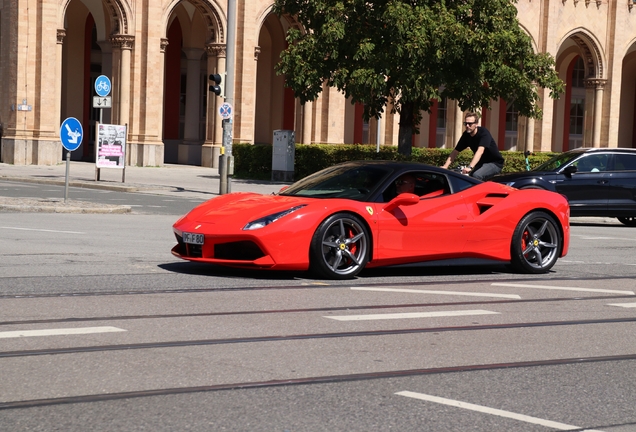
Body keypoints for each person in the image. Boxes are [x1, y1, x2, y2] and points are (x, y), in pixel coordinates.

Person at [441, 112, 504, 180]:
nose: (467, 126)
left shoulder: (484, 132)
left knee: (476, 176)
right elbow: (455, 151)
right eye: (466, 123)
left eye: (470, 124)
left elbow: (480, 151)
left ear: (476, 124)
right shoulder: (466, 135)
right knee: (469, 179)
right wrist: (445, 166)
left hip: (494, 163)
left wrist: (470, 167)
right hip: (481, 164)